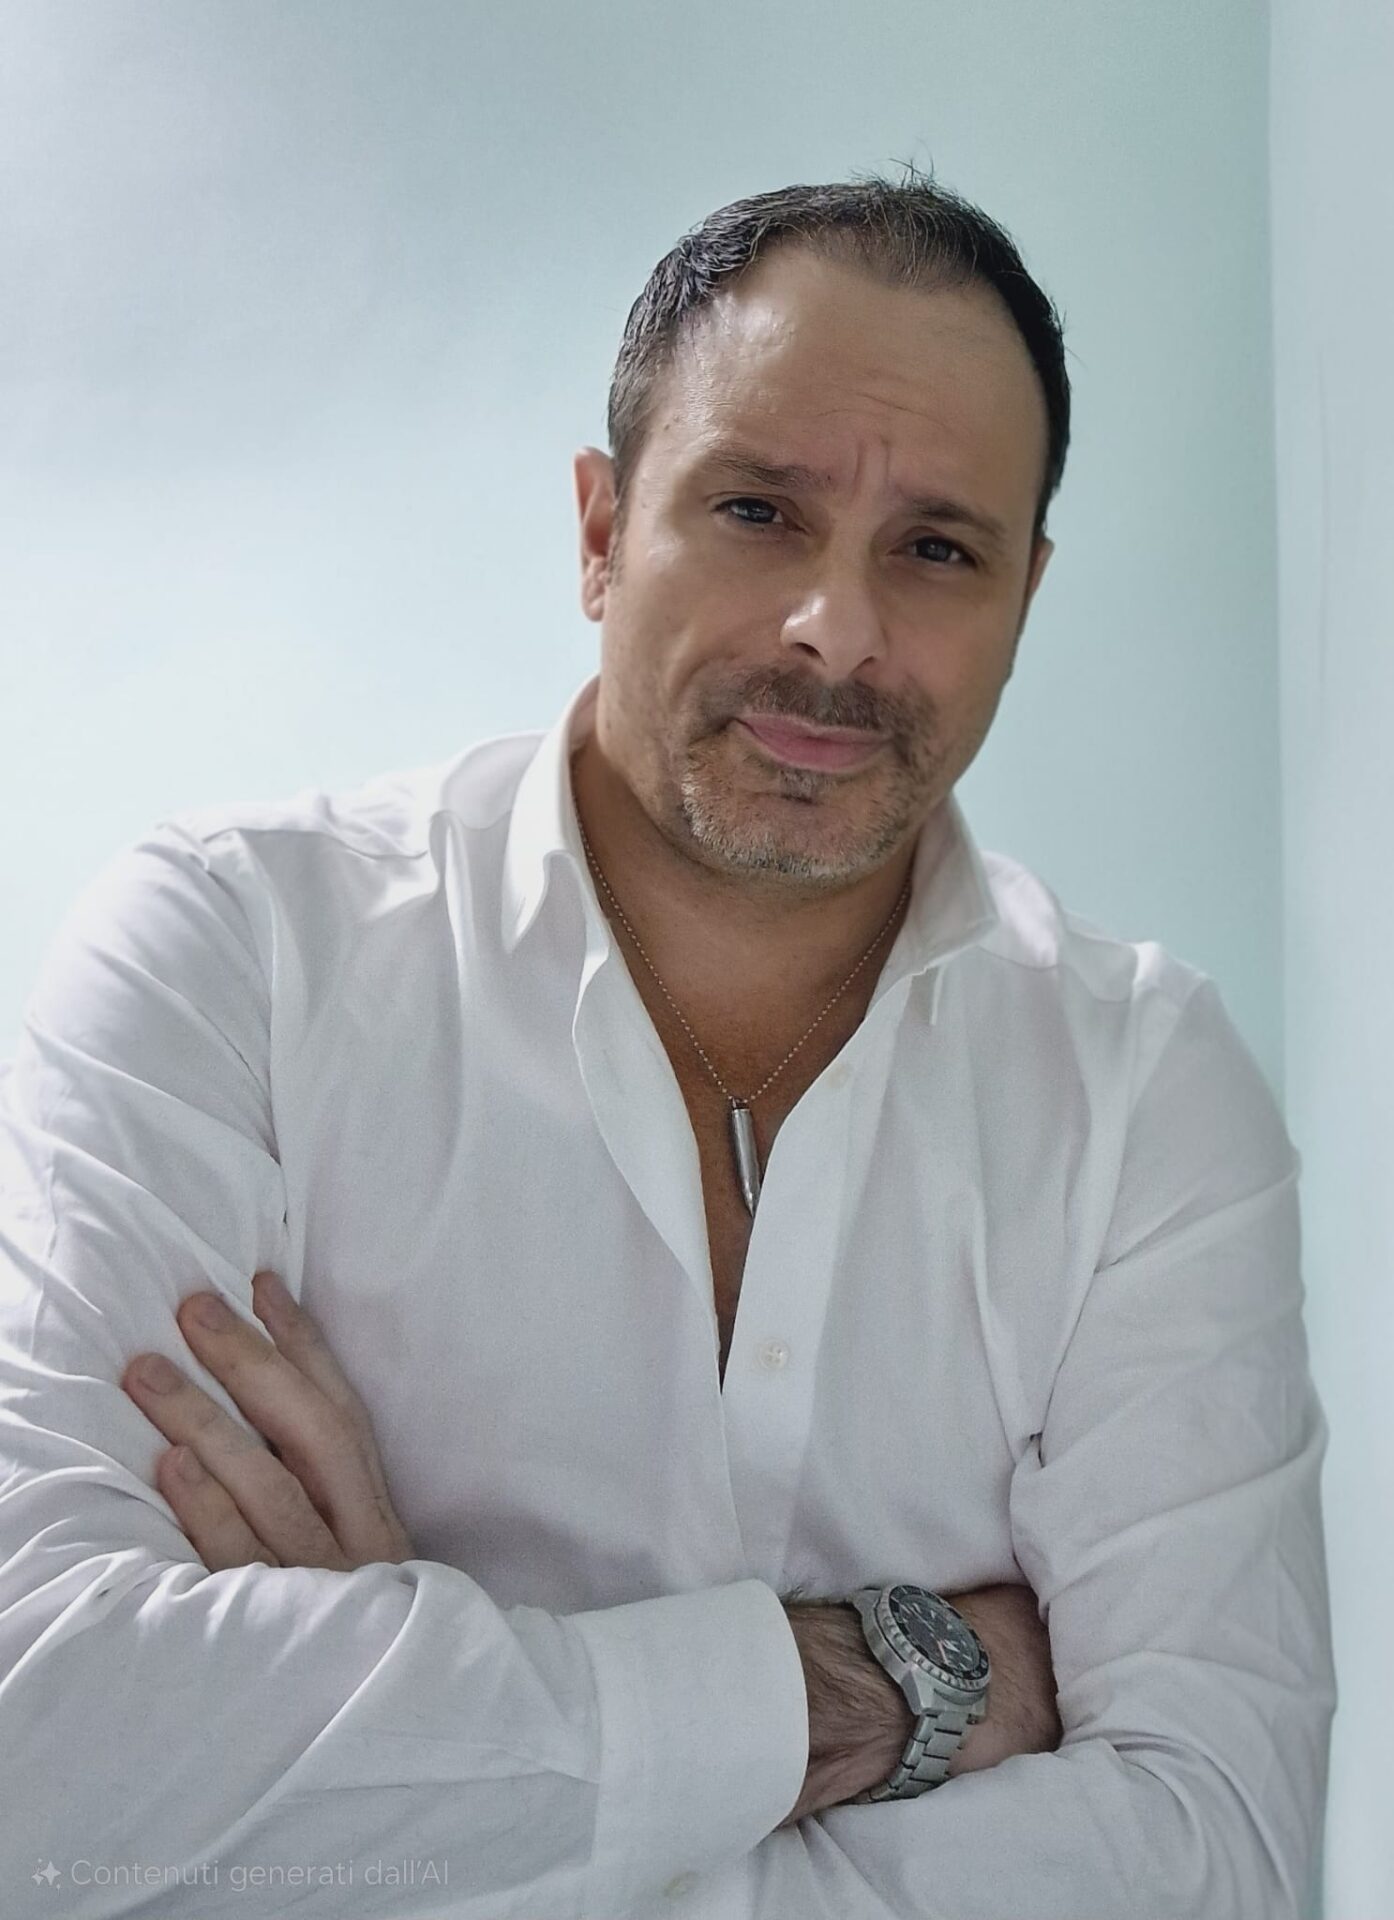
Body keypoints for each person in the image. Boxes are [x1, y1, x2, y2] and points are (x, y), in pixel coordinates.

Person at [0, 171, 1334, 1919]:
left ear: (1024, 596)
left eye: (936, 549)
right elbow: (42, 1761)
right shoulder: (232, 956)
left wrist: (406, 1748)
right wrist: (905, 1681)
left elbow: (1219, 1859)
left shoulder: (1145, 1090)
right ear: (599, 530)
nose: (836, 629)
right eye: (759, 510)